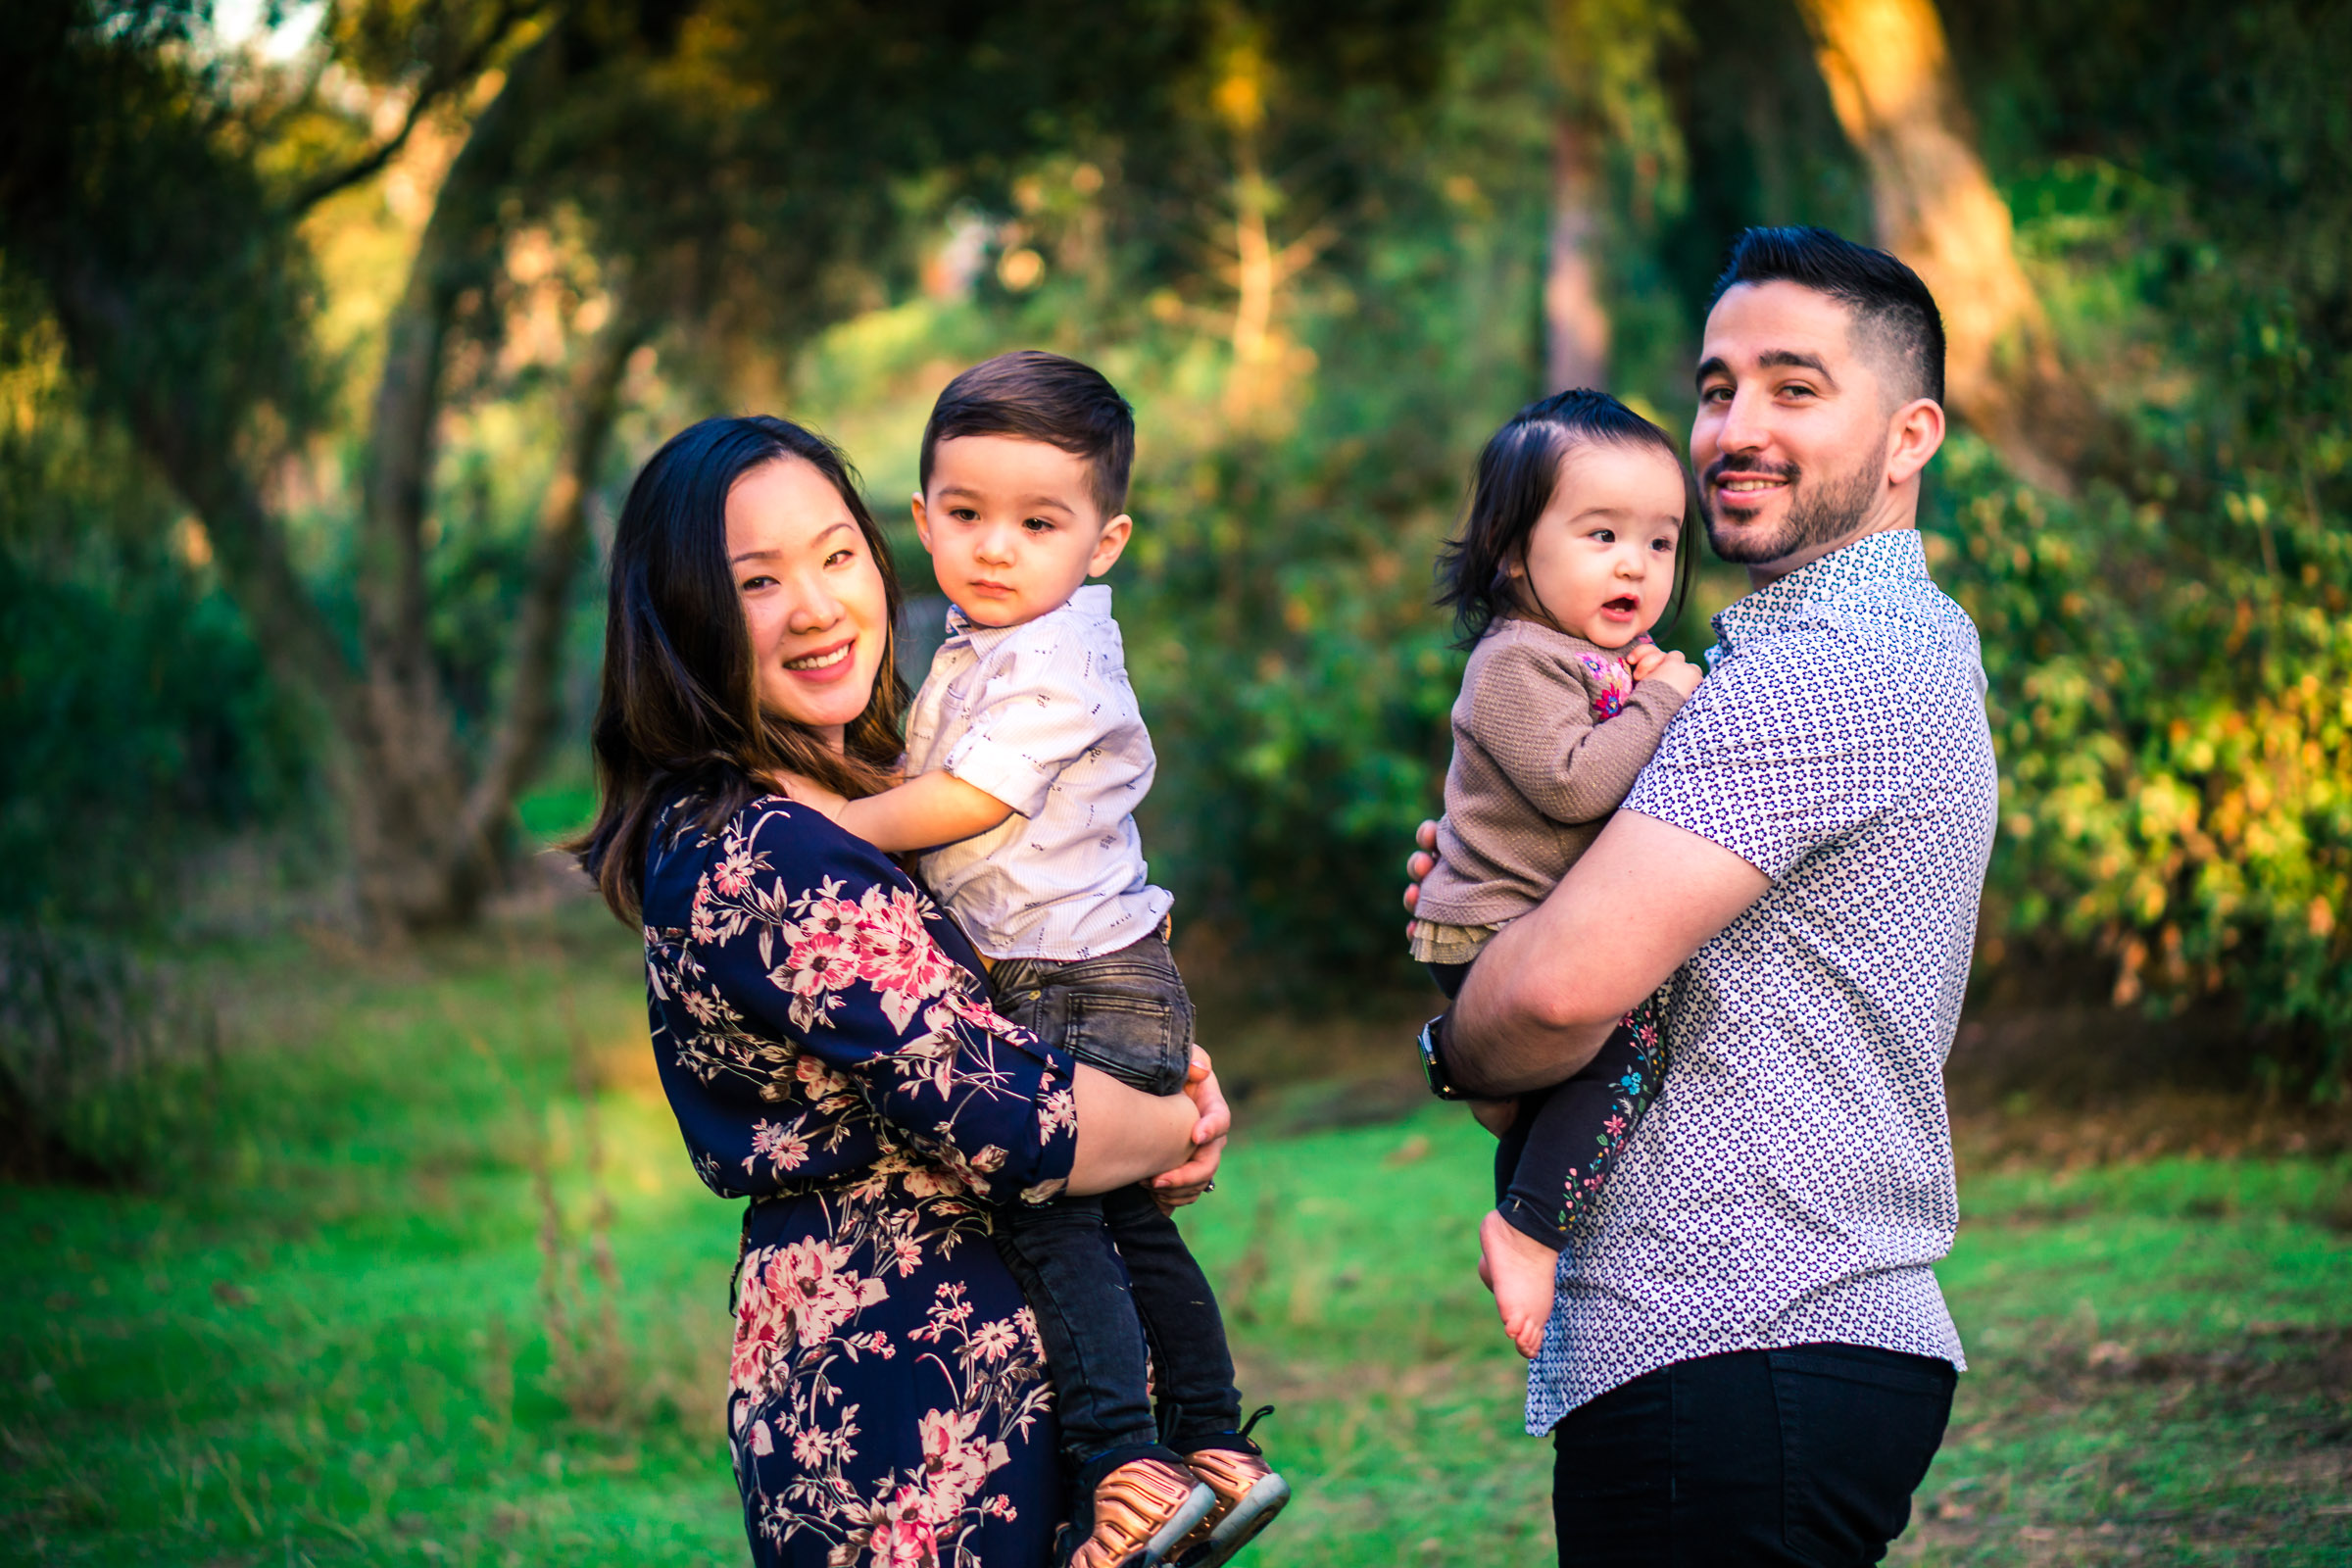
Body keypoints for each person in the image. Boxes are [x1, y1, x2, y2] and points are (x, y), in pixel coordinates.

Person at [1407, 227, 1999, 1564]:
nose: (1736, 426)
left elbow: (1560, 991)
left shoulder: (1816, 672)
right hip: (1756, 1344)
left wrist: (1457, 1036)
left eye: (1795, 387)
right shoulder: (1853, 645)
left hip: (1740, 1338)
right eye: (1719, 386)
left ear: (1909, 437)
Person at [571, 413, 1229, 1568]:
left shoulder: (881, 790)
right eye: (758, 581)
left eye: (837, 555)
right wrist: (1171, 1123)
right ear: (684, 617)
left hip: (998, 1381)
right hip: (907, 1406)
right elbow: (1021, 1123)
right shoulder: (764, 847)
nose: (820, 607)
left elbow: (1021, 1007)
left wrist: (1154, 1077)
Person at [809, 351, 1288, 1568]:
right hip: (1091, 969)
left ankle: (1125, 1461)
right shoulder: (988, 643)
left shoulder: (1058, 658)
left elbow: (969, 799)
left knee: (1055, 1217)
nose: (994, 547)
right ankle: (1215, 1441)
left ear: (1106, 538)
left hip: (1074, 984)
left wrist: (829, 831)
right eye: (964, 516)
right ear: (920, 519)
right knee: (1130, 1226)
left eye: (1038, 522)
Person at [1407, 388, 1702, 1359]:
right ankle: (1530, 1226)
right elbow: (1576, 787)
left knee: (1546, 1100)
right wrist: (1660, 704)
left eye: (1660, 542)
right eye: (1601, 533)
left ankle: (1524, 1226)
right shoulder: (1516, 661)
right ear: (1510, 550)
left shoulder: (1585, 656)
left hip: (1526, 917)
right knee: (1625, 1048)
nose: (1635, 562)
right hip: (1497, 928)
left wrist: (1643, 691)